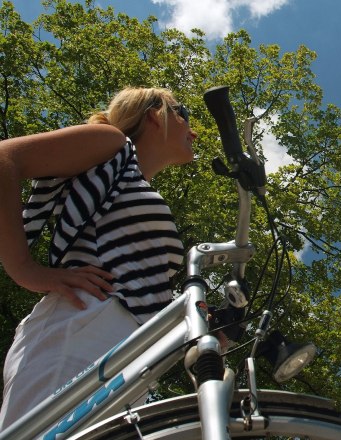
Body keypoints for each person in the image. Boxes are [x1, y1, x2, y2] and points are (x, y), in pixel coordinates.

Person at [0, 87, 197, 429]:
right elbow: (5, 158)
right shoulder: (110, 143)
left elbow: (136, 284)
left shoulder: (128, 182)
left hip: (128, 355)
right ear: (154, 114)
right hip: (79, 327)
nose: (193, 130)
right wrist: (26, 271)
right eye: (184, 114)